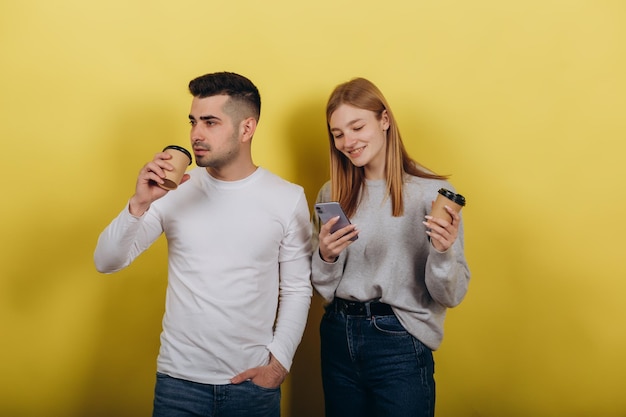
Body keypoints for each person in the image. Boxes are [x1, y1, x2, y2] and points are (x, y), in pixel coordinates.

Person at [94, 71, 313, 417]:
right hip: (178, 384)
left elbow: (298, 290)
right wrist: (138, 205)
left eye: (210, 122)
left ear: (247, 128)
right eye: (193, 121)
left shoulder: (287, 198)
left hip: (252, 388)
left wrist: (278, 366)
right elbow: (106, 261)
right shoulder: (173, 191)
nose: (196, 134)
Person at [311, 77, 470, 417]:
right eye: (338, 134)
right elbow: (324, 287)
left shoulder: (432, 193)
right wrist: (325, 256)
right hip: (338, 334)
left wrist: (443, 253)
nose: (348, 142)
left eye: (357, 127)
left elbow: (451, 295)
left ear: (384, 120)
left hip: (399, 341)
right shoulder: (331, 193)